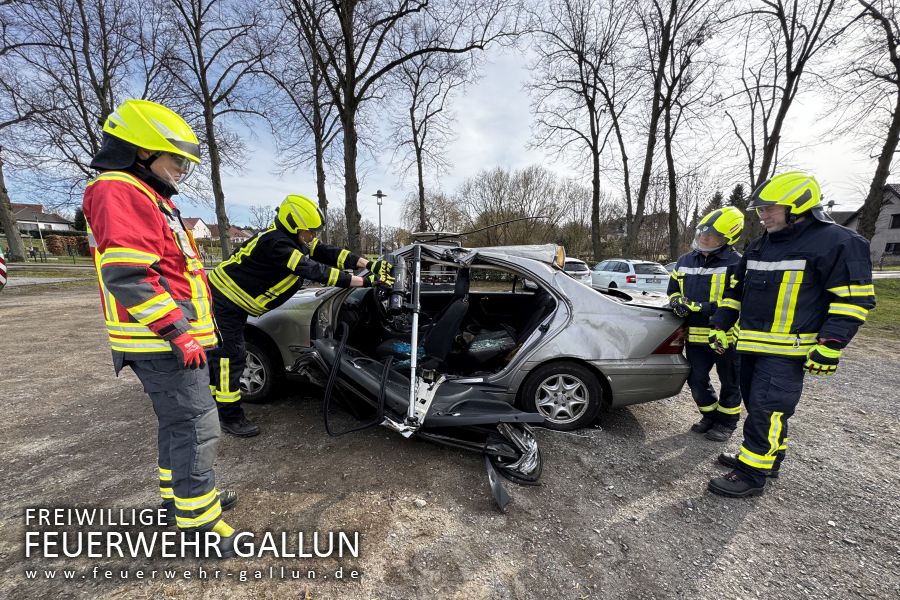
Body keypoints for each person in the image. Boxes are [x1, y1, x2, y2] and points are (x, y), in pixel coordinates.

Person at [83, 99, 240, 556]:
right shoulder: (120, 190)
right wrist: (178, 331)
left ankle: (185, 504)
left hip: (164, 339)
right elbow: (130, 274)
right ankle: (199, 526)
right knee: (196, 425)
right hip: (161, 341)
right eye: (176, 161)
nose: (180, 172)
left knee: (178, 425)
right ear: (142, 152)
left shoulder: (146, 195)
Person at [706, 172, 875, 498]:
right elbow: (734, 293)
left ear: (798, 206)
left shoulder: (839, 242)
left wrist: (830, 344)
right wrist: (720, 327)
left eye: (770, 208)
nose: (763, 215)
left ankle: (750, 473)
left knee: (769, 408)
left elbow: (852, 299)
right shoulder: (759, 246)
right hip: (751, 346)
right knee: (759, 408)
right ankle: (768, 459)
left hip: (788, 351)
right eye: (760, 210)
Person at [207, 194, 394, 436]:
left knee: (229, 354)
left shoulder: (295, 239)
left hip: (235, 303)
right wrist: (362, 281)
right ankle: (229, 417)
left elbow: (328, 253)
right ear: (292, 225)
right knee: (230, 357)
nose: (313, 236)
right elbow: (313, 269)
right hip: (223, 302)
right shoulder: (277, 244)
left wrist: (368, 264)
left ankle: (214, 400)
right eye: (309, 232)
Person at [668, 206, 744, 442]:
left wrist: (700, 307)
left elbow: (736, 300)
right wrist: (677, 301)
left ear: (727, 238)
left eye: (711, 235)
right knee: (696, 379)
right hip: (695, 337)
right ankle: (709, 415)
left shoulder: (737, 264)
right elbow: (672, 290)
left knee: (731, 382)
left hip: (724, 336)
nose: (704, 237)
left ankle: (727, 423)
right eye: (702, 232)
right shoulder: (684, 260)